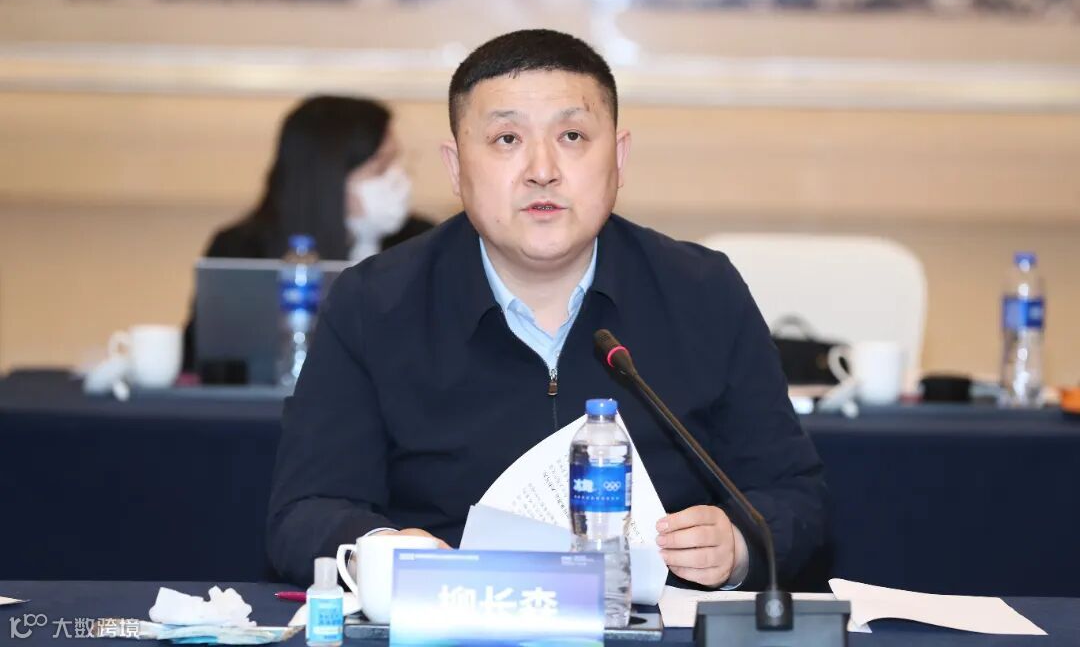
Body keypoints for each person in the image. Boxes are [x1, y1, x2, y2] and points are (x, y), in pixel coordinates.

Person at [267, 30, 826, 591]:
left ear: (619, 157)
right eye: (507, 138)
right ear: (457, 168)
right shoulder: (373, 304)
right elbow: (305, 510)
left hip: (655, 619)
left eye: (572, 136)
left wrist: (739, 544)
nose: (542, 169)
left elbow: (794, 494)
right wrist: (377, 548)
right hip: (450, 615)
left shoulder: (702, 292)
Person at [182, 95, 434, 371]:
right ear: (329, 179)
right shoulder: (240, 249)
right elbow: (204, 364)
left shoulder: (425, 243)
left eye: (397, 161)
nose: (398, 178)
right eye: (381, 166)